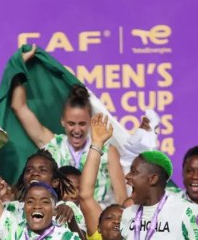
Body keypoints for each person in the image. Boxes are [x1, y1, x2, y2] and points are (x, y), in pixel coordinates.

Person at [11, 46, 127, 205]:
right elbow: (19, 107)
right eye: (71, 124)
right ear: (62, 121)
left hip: (97, 218)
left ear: (90, 122)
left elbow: (121, 198)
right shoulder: (53, 145)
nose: (77, 130)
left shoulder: (107, 151)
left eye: (82, 124)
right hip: (58, 218)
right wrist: (19, 67)